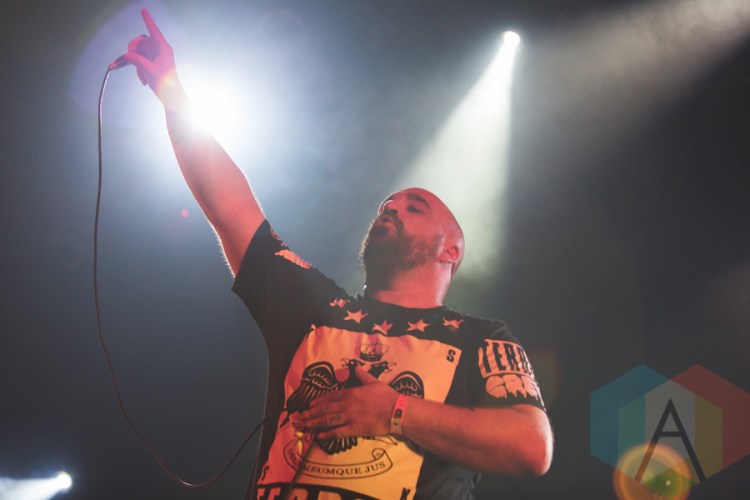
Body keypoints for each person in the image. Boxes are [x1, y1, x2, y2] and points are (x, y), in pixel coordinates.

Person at [122, 9, 553, 499]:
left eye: (414, 207)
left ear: (451, 250)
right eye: (387, 205)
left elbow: (530, 445)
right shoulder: (316, 309)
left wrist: (396, 411)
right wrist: (172, 93)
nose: (392, 209)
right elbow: (233, 210)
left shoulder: (481, 338)